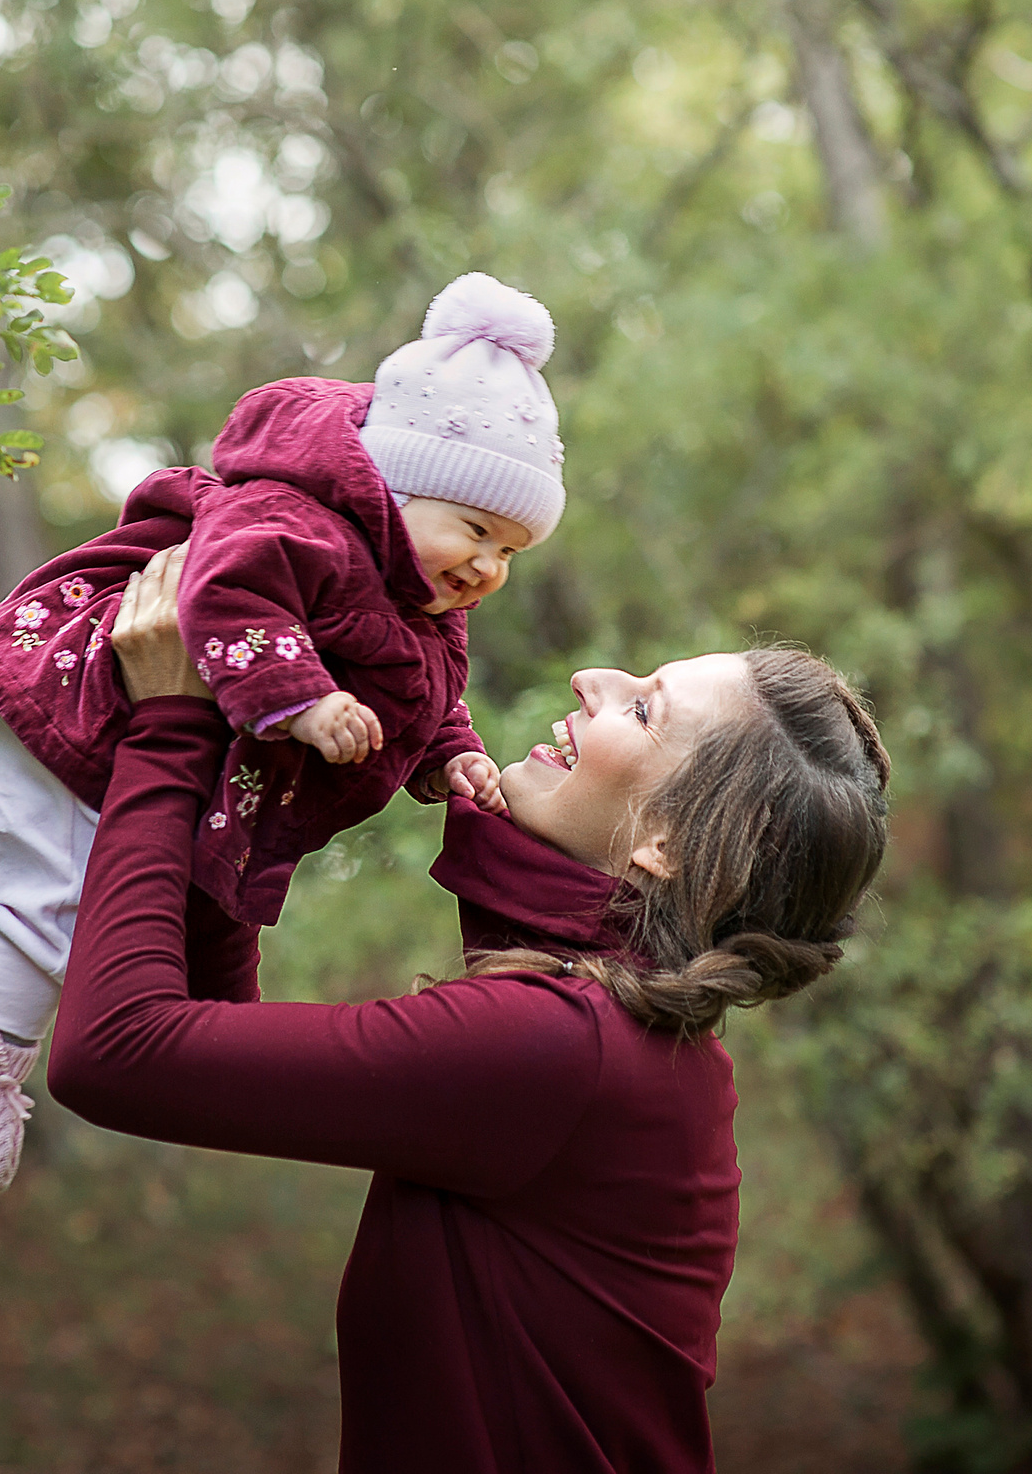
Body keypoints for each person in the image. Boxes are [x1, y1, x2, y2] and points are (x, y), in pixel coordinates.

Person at [47, 546, 892, 1473]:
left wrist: (171, 724)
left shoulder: (558, 1047)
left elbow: (114, 1053)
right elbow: (201, 1050)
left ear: (663, 844)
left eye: (643, 708)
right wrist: (249, 768)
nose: (590, 679)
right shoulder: (608, 1036)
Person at [0, 273, 570, 1193]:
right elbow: (223, 592)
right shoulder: (297, 520)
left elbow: (426, 688)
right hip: (90, 713)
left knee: (199, 929)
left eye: (509, 553)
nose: (489, 568)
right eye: (477, 530)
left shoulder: (424, 595)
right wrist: (298, 700)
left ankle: (202, 1035)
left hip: (198, 761)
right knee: (65, 906)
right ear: (399, 487)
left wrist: (449, 754)